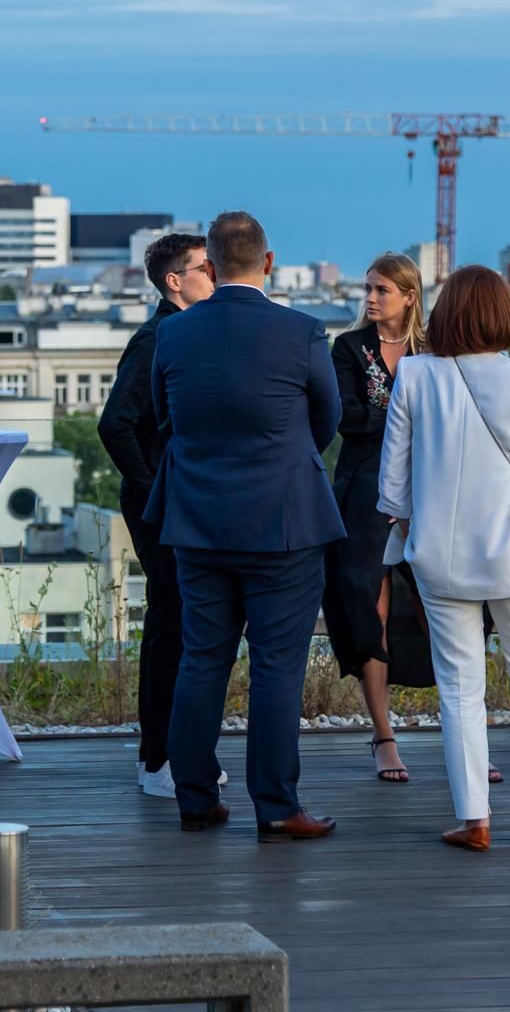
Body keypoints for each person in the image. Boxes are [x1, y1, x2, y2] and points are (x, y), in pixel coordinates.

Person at [149, 211, 345, 843]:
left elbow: (163, 418)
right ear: (268, 262)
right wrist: (283, 457)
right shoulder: (302, 331)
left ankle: (196, 797)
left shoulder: (173, 335)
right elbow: (327, 419)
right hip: (283, 521)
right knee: (276, 666)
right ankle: (276, 805)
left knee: (201, 659)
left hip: (198, 520)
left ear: (208, 262)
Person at [379, 264, 510, 850]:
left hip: (439, 557)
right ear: (503, 315)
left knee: (459, 687)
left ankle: (474, 819)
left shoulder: (415, 375)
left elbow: (392, 488)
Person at [98, 231, 215, 798]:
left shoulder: (182, 331)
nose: (214, 276)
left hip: (177, 501)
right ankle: (158, 760)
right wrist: (153, 492)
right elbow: (114, 424)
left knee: (188, 625)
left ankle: (177, 751)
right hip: (161, 505)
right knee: (172, 625)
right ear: (175, 281)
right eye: (204, 269)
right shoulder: (157, 337)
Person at [323, 252, 437, 784]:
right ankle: (383, 734)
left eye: (381, 290)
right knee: (370, 602)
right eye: (367, 288)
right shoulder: (349, 347)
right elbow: (348, 420)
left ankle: (463, 732)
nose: (369, 298)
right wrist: (409, 414)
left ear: (409, 296)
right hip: (365, 487)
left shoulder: (434, 348)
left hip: (432, 489)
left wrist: (391, 416)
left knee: (446, 603)